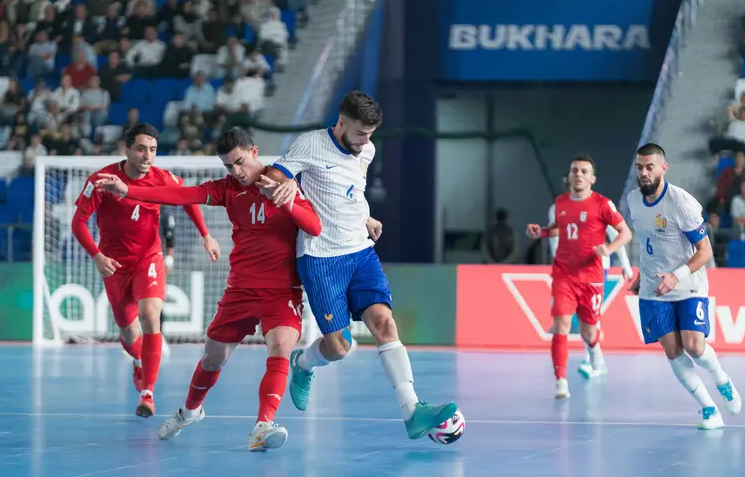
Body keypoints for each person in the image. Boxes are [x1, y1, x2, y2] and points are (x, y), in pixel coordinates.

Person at [95, 128, 322, 451]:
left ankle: (263, 425)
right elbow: (181, 195)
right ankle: (189, 411)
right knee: (213, 358)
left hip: (281, 290)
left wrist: (284, 204)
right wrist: (129, 190)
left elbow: (314, 227)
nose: (237, 172)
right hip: (240, 289)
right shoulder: (228, 189)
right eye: (229, 166)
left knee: (281, 348)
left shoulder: (285, 184)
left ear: (255, 152)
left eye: (241, 162)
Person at [256, 91, 459, 440]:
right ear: (341, 123)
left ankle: (412, 410)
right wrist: (286, 182)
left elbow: (354, 190)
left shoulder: (367, 149)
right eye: (361, 133)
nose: (367, 141)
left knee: (384, 323)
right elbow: (268, 179)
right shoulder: (311, 145)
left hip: (360, 252)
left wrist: (365, 217)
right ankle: (303, 363)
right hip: (321, 258)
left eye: (371, 133)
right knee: (338, 348)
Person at [71, 123, 219, 418]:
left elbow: (188, 199)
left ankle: (147, 393)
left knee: (151, 314)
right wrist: (97, 256)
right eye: (141, 148)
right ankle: (139, 360)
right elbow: (78, 222)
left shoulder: (162, 178)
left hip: (148, 258)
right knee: (128, 333)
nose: (147, 155)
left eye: (152, 149)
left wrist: (205, 234)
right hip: (113, 265)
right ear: (127, 150)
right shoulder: (102, 180)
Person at [627, 143, 741, 429]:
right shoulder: (633, 200)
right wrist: (642, 275)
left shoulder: (681, 203)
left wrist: (676, 275)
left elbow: (705, 252)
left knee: (694, 345)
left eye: (649, 166)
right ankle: (708, 409)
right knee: (673, 350)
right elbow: (647, 242)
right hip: (654, 289)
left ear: (663, 168)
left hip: (688, 283)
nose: (643, 172)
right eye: (640, 167)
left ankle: (722, 380)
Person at [526, 154, 632, 399]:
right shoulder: (561, 203)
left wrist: (609, 249)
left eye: (584, 171)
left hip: (592, 276)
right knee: (561, 326)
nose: (579, 174)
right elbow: (558, 228)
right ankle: (561, 381)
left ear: (592, 178)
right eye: (575, 170)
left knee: (588, 332)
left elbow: (625, 233)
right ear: (569, 176)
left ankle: (595, 350)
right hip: (564, 275)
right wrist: (540, 233)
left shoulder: (603, 204)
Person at [547, 174, 634, 379]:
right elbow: (554, 241)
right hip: (569, 271)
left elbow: (616, 235)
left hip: (596, 267)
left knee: (591, 317)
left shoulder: (597, 205)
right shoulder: (556, 208)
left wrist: (625, 265)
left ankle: (590, 358)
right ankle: (597, 358)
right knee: (577, 318)